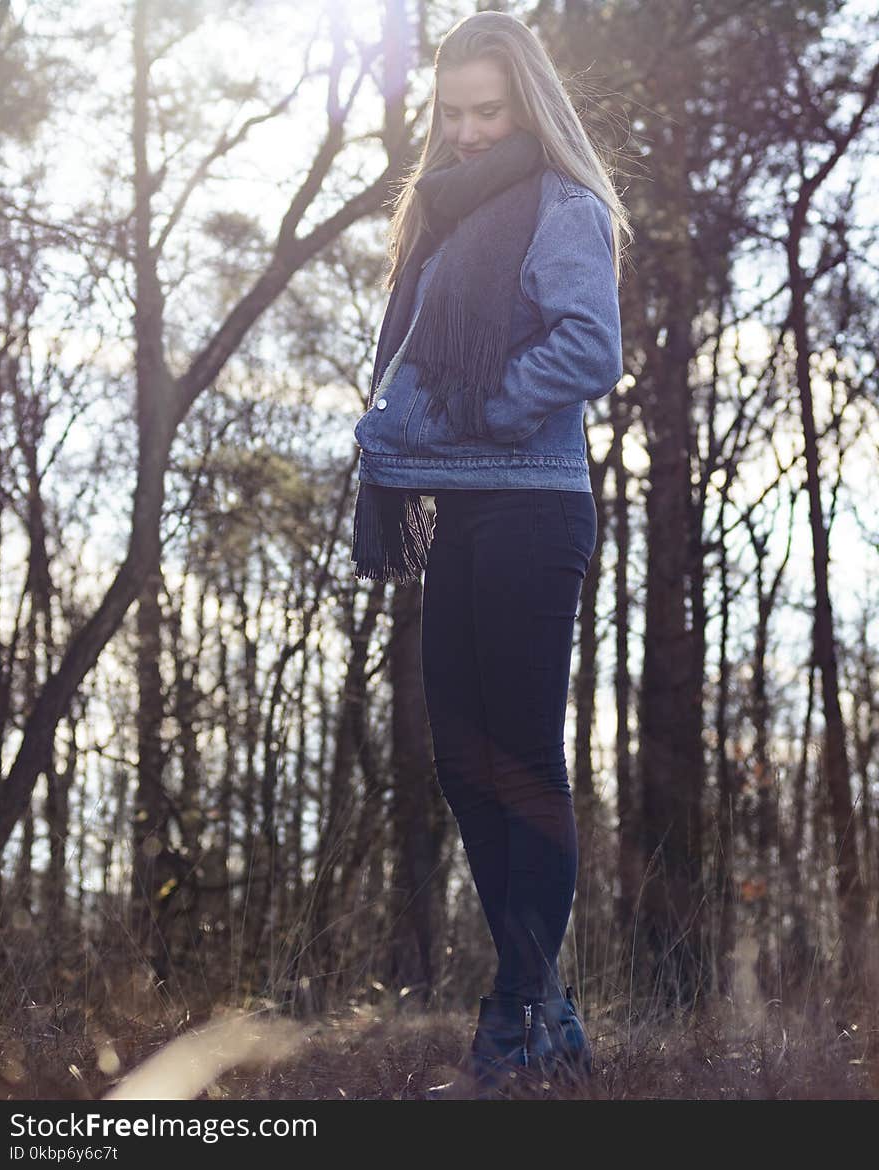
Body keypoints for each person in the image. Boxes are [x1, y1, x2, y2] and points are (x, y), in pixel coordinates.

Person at [350, 11, 628, 1098]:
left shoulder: (562, 206)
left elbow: (588, 346)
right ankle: (540, 1008)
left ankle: (515, 1017)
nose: (466, 132)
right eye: (452, 112)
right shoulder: (444, 216)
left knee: (520, 762)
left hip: (530, 508)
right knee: (465, 769)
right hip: (460, 514)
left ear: (528, 107)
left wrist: (482, 415)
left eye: (488, 110)